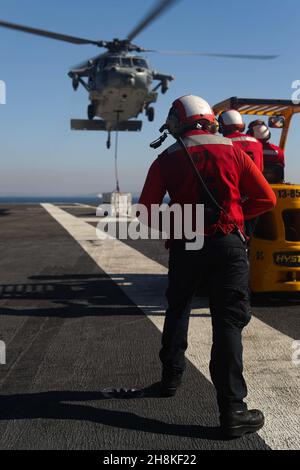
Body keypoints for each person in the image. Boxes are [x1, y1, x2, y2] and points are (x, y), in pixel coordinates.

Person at [139, 95, 276, 438]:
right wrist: (236, 214)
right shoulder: (234, 151)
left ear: (177, 122)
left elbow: (145, 211)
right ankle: (233, 411)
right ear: (209, 120)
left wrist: (178, 225)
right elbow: (266, 199)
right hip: (228, 244)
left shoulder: (165, 159)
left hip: (187, 245)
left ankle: (170, 379)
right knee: (228, 323)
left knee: (179, 307)